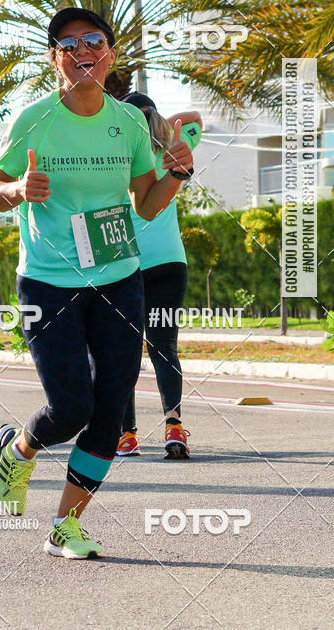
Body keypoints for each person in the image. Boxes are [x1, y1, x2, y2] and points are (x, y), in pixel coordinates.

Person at [0, 7, 194, 559]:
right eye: (68, 45)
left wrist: (175, 174)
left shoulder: (126, 123)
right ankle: (20, 448)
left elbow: (145, 207)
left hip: (120, 278)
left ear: (110, 53)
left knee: (111, 406)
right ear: (55, 60)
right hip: (49, 283)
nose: (82, 52)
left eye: (92, 40)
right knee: (71, 407)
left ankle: (64, 527)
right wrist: (16, 191)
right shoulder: (33, 118)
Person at [114, 93, 202, 460]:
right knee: (163, 345)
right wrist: (156, 122)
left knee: (124, 350)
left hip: (126, 266)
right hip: (169, 263)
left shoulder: (116, 158)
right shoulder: (173, 146)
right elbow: (195, 115)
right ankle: (174, 426)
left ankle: (127, 435)